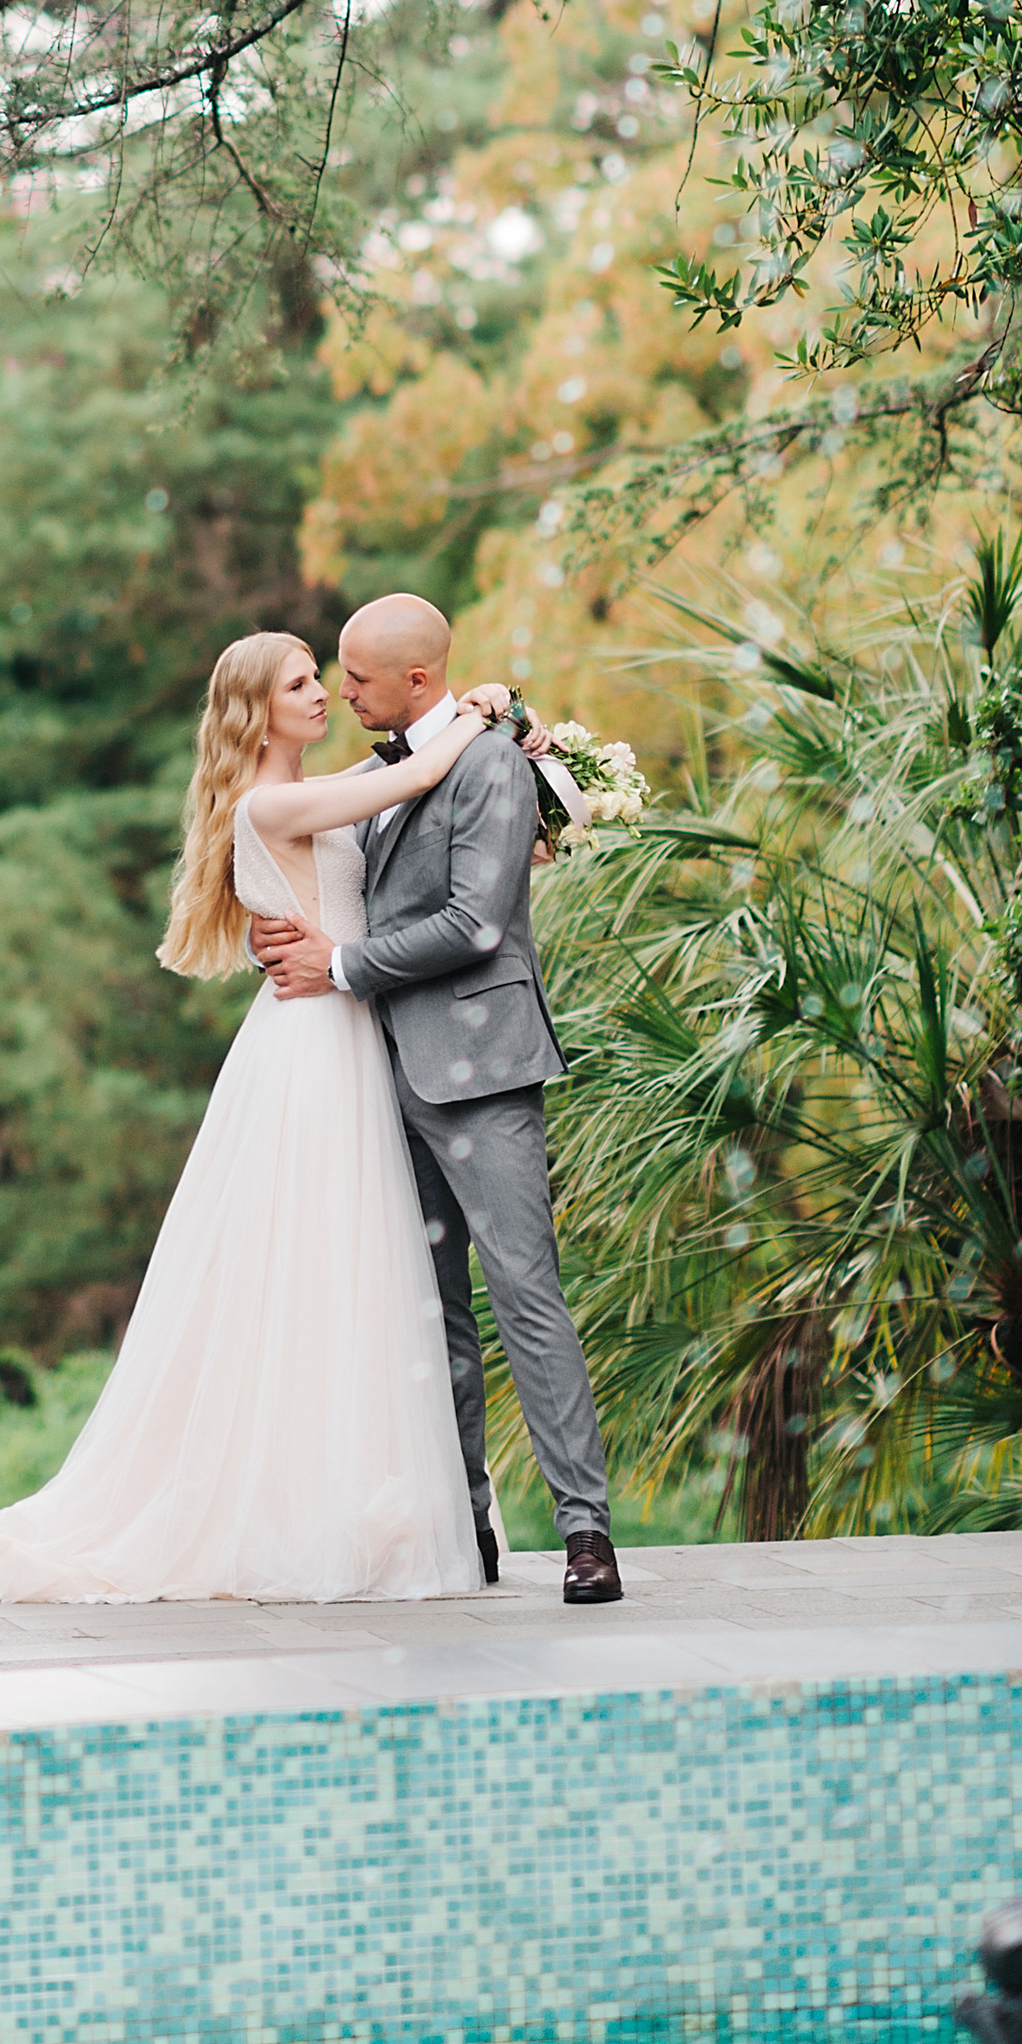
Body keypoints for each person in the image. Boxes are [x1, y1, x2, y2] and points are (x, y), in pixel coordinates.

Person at [0, 629, 499, 1604]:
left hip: (340, 1024)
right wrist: (481, 712)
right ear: (257, 707)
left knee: (350, 1268)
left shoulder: (301, 793)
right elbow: (408, 783)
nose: (323, 691)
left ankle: (348, 1493)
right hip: (313, 1048)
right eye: (300, 682)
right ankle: (304, 1507)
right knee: (321, 1263)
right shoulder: (272, 799)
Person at [253, 590, 624, 1607]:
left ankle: (587, 1532)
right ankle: (468, 1522)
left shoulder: (493, 763)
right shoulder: (375, 773)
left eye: (358, 676)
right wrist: (288, 937)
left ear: (419, 680)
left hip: (483, 1070)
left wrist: (340, 963)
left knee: (524, 1297)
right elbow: (327, 883)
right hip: (379, 1074)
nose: (342, 688)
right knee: (429, 1314)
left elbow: (474, 926)